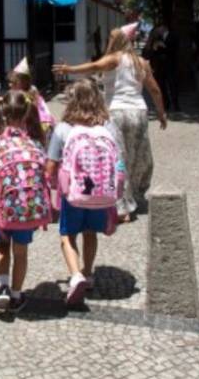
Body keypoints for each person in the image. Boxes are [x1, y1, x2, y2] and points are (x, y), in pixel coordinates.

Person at [53, 24, 167, 220]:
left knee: (119, 158)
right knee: (136, 156)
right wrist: (162, 113)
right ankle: (134, 196)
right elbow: (155, 90)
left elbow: (94, 67)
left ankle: (123, 208)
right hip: (139, 113)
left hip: (116, 112)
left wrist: (69, 69)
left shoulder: (114, 58)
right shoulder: (142, 63)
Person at [0, 90, 48, 313]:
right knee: (21, 253)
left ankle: (2, 287)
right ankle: (16, 295)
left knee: (2, 247)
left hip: (2, 208)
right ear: (26, 116)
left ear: (3, 115)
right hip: (26, 209)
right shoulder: (35, 144)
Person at [46, 79, 123, 306]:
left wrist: (50, 189)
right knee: (90, 233)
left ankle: (75, 274)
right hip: (102, 193)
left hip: (73, 195)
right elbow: (118, 161)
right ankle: (88, 273)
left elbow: (51, 166)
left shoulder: (63, 129)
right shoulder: (108, 126)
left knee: (67, 235)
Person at [8, 57, 54, 139]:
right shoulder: (16, 94)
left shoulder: (30, 94)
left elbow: (39, 110)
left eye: (14, 82)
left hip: (33, 127)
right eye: (10, 82)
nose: (10, 85)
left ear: (24, 82)